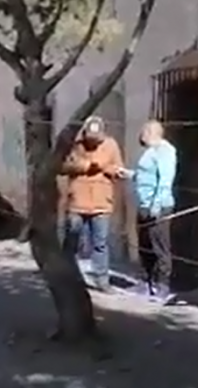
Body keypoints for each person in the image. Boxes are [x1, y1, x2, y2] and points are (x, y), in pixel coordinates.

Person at [61, 116, 124, 292]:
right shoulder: (75, 145)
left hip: (102, 202)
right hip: (78, 201)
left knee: (100, 243)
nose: (93, 142)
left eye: (96, 139)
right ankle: (66, 275)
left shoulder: (111, 145)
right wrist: (86, 166)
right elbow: (63, 166)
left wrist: (106, 168)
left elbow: (118, 167)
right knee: (72, 241)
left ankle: (102, 279)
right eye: (90, 138)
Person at [125, 120, 177, 301]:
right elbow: (146, 175)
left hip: (159, 207)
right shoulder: (149, 152)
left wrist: (156, 205)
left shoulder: (165, 151)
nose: (141, 135)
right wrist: (129, 174)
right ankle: (144, 282)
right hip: (144, 205)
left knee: (160, 246)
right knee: (144, 245)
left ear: (151, 132)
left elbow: (165, 180)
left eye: (143, 132)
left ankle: (163, 285)